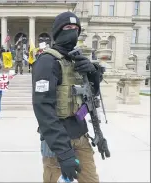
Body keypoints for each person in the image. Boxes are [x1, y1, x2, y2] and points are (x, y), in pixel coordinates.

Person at [32, 12, 104, 183]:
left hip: (81, 135)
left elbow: (91, 97)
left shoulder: (76, 60)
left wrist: (93, 74)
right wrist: (64, 153)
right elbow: (43, 109)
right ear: (58, 31)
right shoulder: (47, 61)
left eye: (76, 28)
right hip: (56, 141)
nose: (72, 31)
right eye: (68, 27)